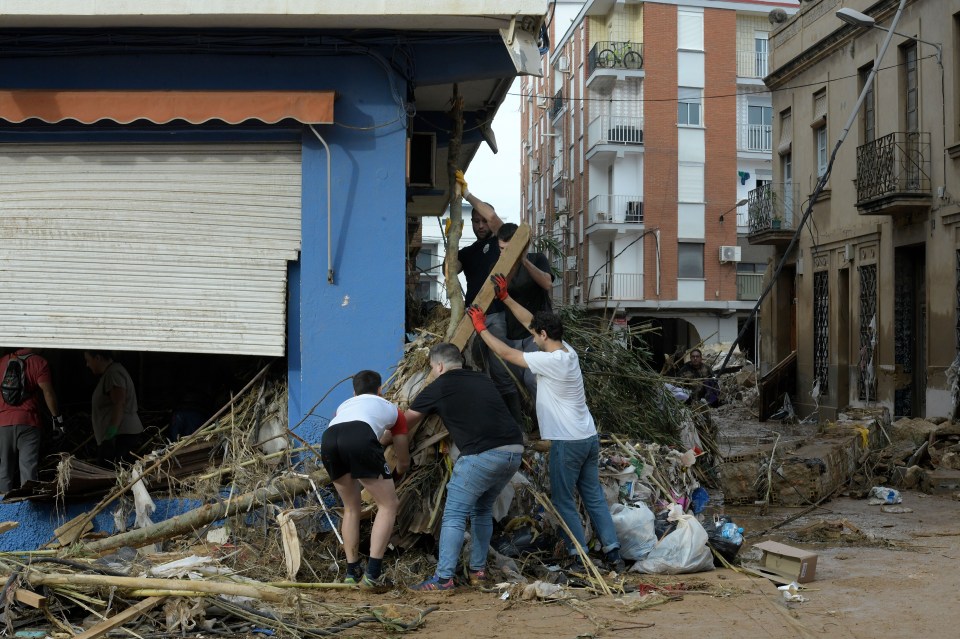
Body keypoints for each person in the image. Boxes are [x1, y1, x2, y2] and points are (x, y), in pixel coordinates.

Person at [467, 279, 626, 573]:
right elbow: (532, 322)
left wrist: (481, 328)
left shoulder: (549, 360)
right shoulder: (567, 351)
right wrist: (506, 297)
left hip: (568, 442)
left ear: (544, 336)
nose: (533, 337)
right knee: (593, 497)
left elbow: (507, 354)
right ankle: (614, 553)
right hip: (589, 437)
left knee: (563, 501)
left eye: (536, 336)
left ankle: (579, 557)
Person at [405, 343, 523, 591]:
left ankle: (443, 578)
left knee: (454, 514)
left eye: (432, 368)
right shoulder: (483, 379)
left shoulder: (439, 386)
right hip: (513, 452)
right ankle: (477, 572)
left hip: (482, 455)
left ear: (438, 366)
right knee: (482, 509)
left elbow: (406, 421)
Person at [321, 370, 410, 591]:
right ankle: (373, 575)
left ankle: (352, 572)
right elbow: (403, 457)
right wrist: (398, 472)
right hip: (360, 437)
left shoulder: (344, 407)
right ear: (380, 390)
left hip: (330, 439)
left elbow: (352, 431)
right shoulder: (392, 410)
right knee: (388, 505)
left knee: (351, 509)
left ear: (354, 392)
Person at [453, 171, 524, 423]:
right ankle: (489, 422)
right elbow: (450, 271)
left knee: (502, 371)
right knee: (476, 371)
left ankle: (518, 425)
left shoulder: (499, 242)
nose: (481, 225)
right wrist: (454, 241)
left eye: (483, 221)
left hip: (496, 317)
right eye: (475, 221)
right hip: (472, 319)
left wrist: (467, 194)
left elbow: (494, 218)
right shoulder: (469, 251)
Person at [496, 223, 554, 401]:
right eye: (501, 249)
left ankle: (548, 421)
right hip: (513, 335)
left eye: (509, 249)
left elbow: (547, 283)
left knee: (533, 379)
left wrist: (522, 259)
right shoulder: (498, 267)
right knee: (511, 383)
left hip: (536, 334)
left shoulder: (537, 259)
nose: (504, 253)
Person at [0, 349, 62, 493]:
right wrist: (57, 419)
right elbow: (48, 392)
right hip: (29, 422)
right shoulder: (39, 362)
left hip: (3, 422)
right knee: (28, 467)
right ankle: (28, 507)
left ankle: (2, 509)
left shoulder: (2, 362)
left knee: (4, 468)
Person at [83, 351, 145, 465]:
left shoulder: (113, 373)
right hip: (118, 436)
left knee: (111, 472)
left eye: (88, 360)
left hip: (120, 436)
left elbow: (119, 403)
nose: (87, 364)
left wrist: (110, 435)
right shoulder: (111, 373)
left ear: (98, 357)